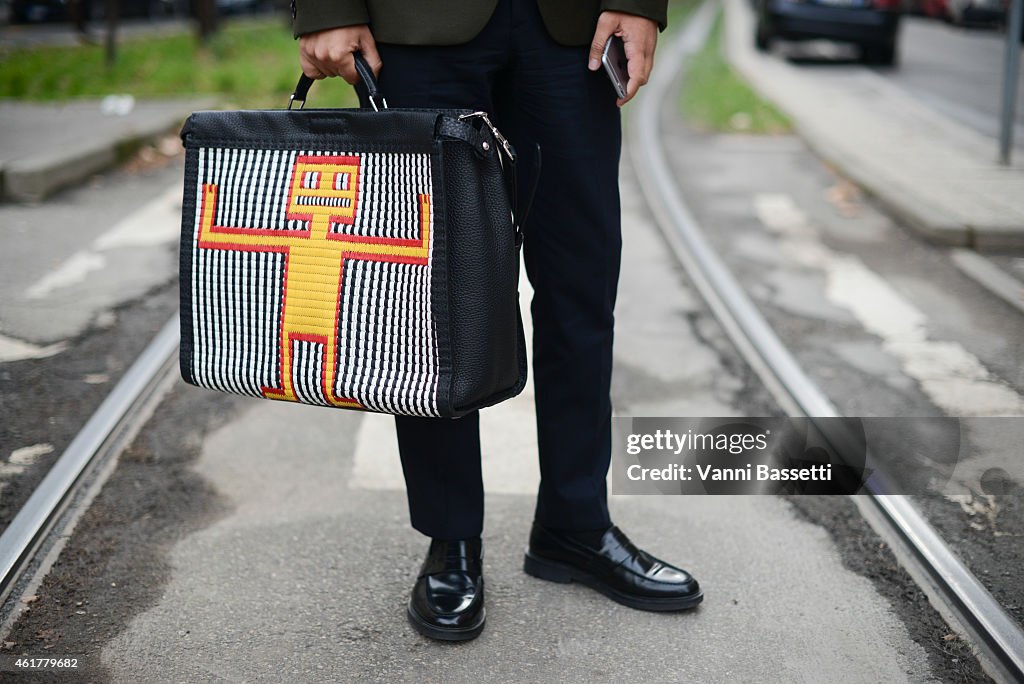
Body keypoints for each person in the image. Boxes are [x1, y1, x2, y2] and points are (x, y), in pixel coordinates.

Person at [292, 0, 703, 642]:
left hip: (574, 32)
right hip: (419, 29)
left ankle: (575, 524)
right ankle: (450, 540)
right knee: (431, 292)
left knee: (582, 279)